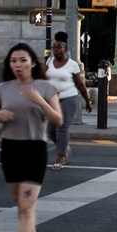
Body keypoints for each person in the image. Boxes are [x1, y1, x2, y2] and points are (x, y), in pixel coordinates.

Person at [0, 43, 62, 232]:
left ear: (33, 63)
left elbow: (58, 119)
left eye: (22, 60)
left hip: (34, 149)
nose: (18, 65)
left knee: (26, 206)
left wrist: (40, 101)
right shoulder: (3, 88)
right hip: (9, 150)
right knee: (22, 205)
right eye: (13, 61)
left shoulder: (45, 87)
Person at [44, 31, 91, 170]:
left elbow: (80, 85)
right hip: (52, 100)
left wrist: (87, 101)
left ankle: (60, 157)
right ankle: (64, 147)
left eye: (59, 47)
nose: (56, 50)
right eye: (54, 47)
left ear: (66, 49)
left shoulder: (72, 64)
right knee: (50, 130)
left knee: (61, 127)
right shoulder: (49, 61)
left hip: (69, 98)